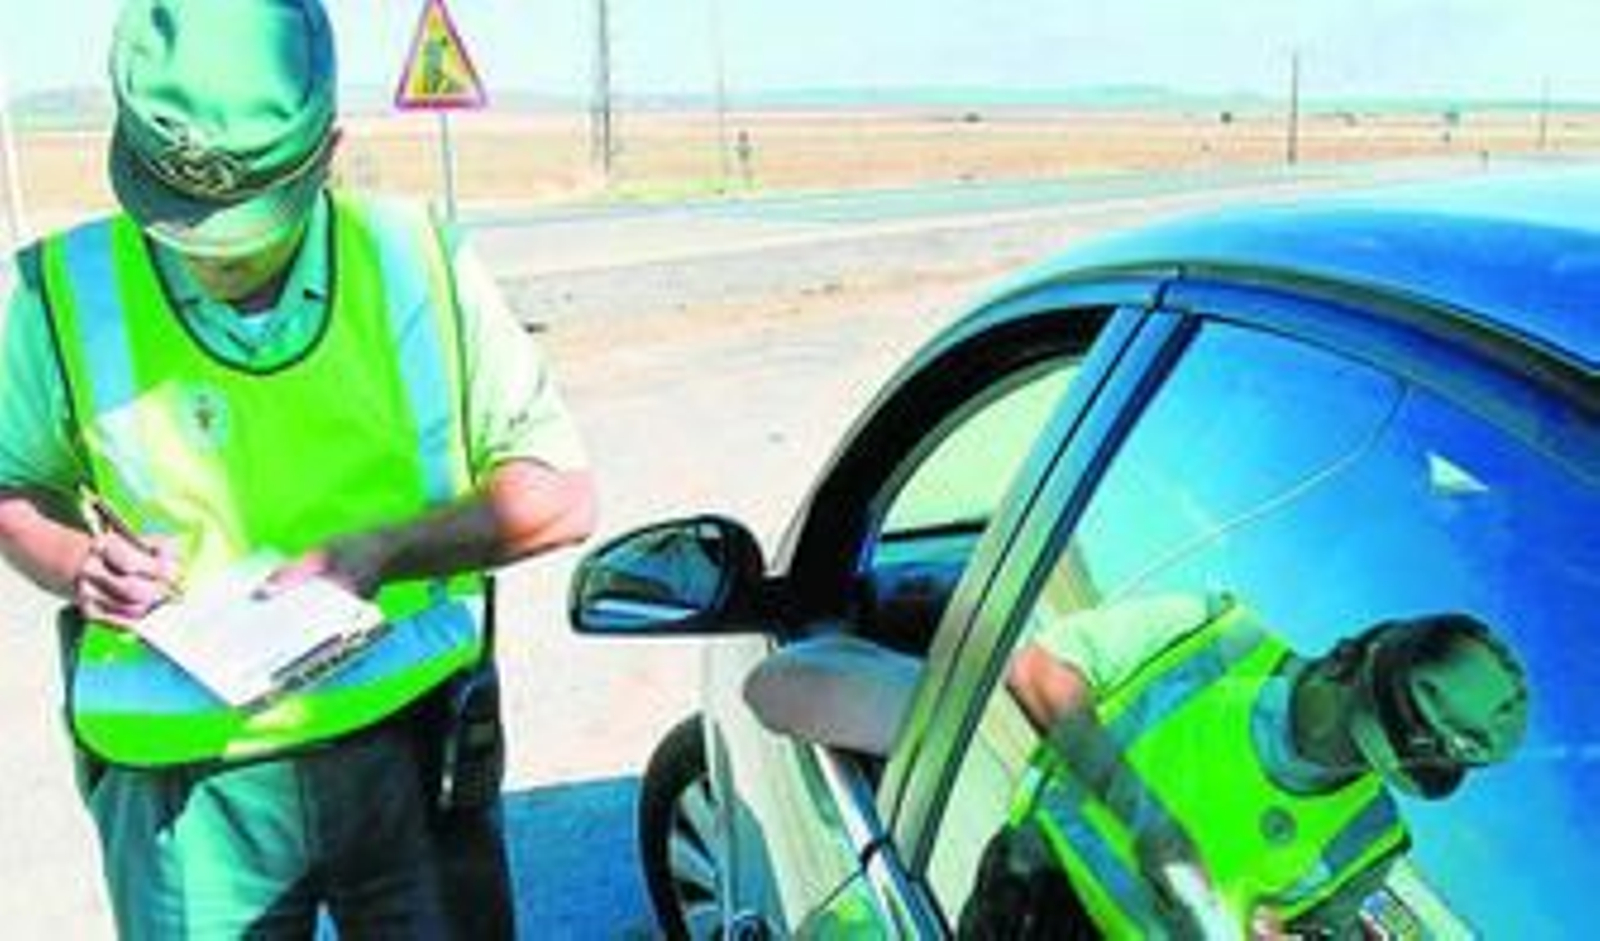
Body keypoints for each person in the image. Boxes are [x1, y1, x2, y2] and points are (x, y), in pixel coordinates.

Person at [0, 0, 597, 937]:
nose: (211, 255)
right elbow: (12, 485)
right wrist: (78, 562)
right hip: (184, 795)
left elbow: (559, 495)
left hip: (409, 745)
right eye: (182, 219)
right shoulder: (66, 291)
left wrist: (385, 552)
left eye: (243, 226)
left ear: (328, 153)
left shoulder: (417, 262)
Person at [959, 593, 1529, 940]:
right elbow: (1038, 673)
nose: (1356, 760)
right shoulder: (1214, 635)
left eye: (1395, 759)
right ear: (1348, 658)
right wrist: (1143, 814)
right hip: (1024, 894)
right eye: (1365, 730)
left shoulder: (1372, 840)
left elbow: (1312, 931)